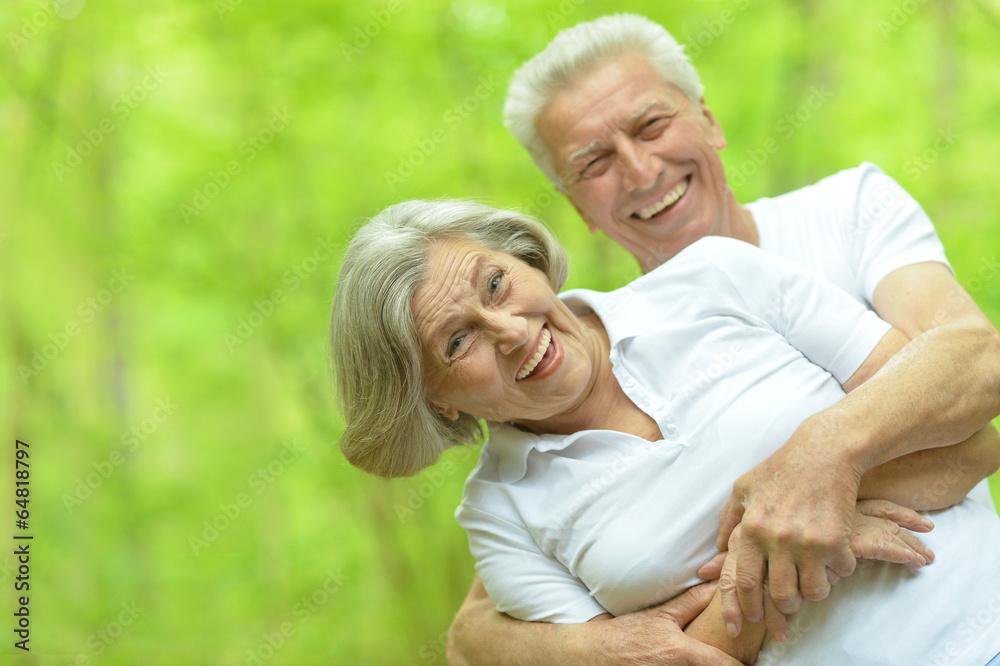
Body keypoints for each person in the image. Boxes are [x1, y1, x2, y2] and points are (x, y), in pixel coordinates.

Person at [448, 14, 1000, 664]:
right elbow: (471, 637)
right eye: (593, 162)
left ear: (708, 120)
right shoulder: (582, 378)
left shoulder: (846, 209)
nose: (638, 168)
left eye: (651, 125)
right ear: (576, 209)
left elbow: (976, 365)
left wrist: (818, 456)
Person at [329, 200, 1000, 664]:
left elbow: (966, 433)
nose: (509, 332)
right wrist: (796, 543)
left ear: (528, 260)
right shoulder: (500, 513)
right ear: (436, 401)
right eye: (456, 341)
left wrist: (820, 462)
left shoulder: (715, 276)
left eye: (497, 283)